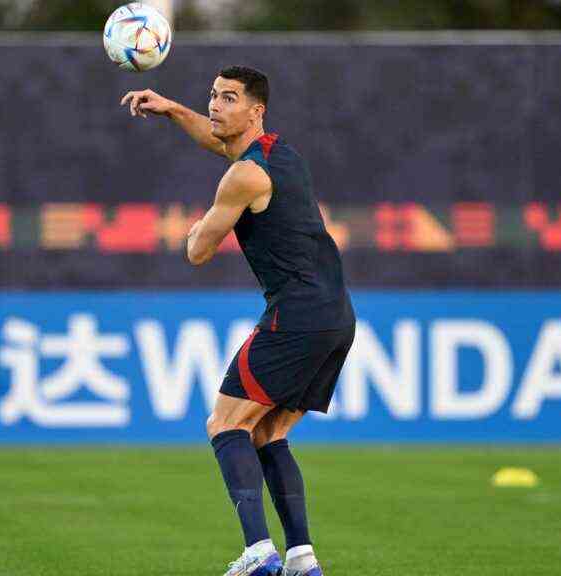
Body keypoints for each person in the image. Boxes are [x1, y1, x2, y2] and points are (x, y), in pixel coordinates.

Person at [121, 66, 355, 576]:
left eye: (228, 98)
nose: (215, 106)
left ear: (256, 110)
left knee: (224, 423)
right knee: (268, 432)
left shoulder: (243, 175)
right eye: (212, 96)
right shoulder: (280, 155)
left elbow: (198, 253)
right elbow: (220, 142)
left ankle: (257, 553)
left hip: (295, 315)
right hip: (336, 315)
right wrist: (174, 109)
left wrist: (194, 229)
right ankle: (301, 556)